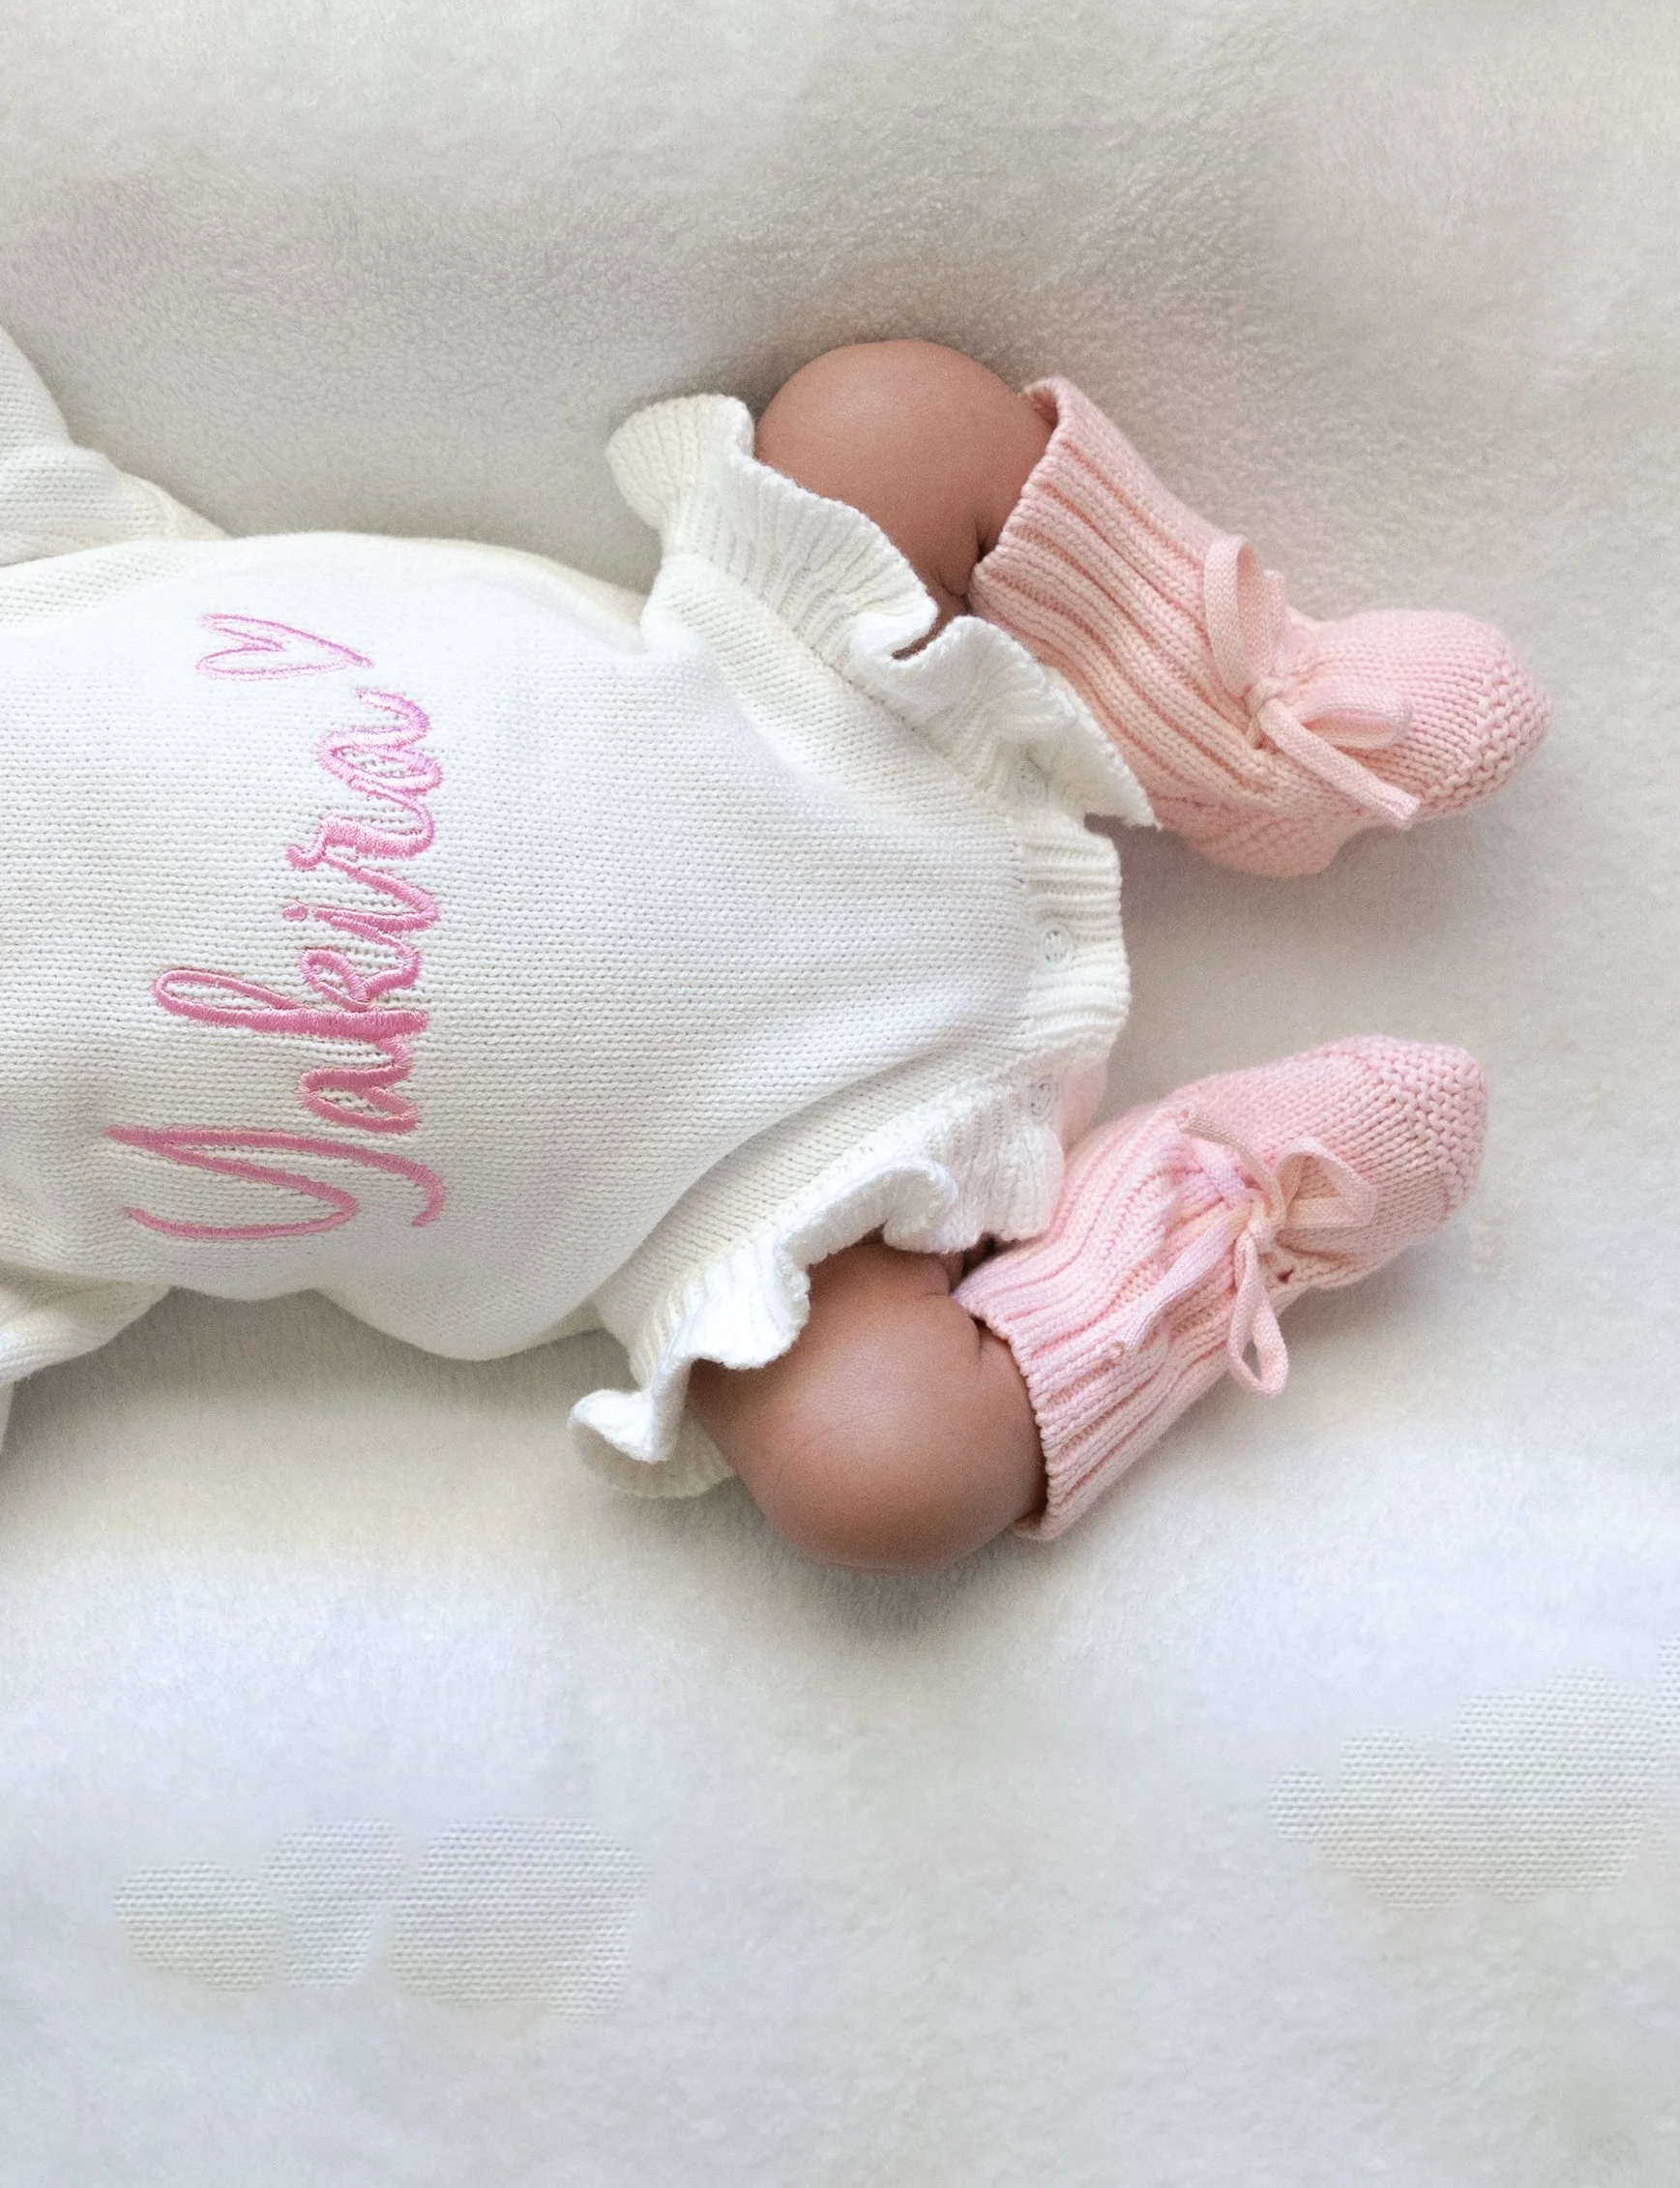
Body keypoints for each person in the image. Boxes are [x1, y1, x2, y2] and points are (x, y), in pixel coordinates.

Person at [0, 330, 1544, 1570]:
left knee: (881, 419)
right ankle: (1192, 1230)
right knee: (879, 1477)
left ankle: (1227, 717)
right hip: (748, 1197)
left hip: (797, 694)